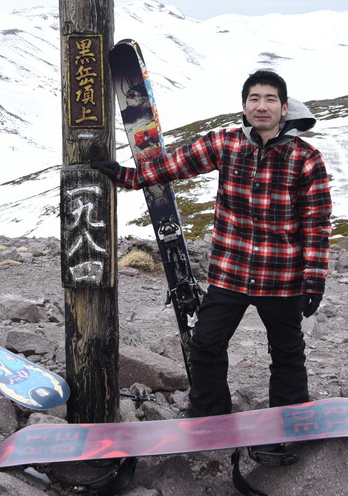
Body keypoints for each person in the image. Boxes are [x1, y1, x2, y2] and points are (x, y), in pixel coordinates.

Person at [93, 69, 332, 460]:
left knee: (287, 353)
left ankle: (286, 430)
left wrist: (315, 279)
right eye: (254, 98)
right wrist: (127, 177)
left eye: (270, 99)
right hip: (231, 271)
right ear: (244, 105)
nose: (261, 106)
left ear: (284, 107)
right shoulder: (226, 143)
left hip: (282, 276)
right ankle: (210, 415)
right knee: (206, 343)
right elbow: (175, 166)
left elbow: (317, 224)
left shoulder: (307, 159)